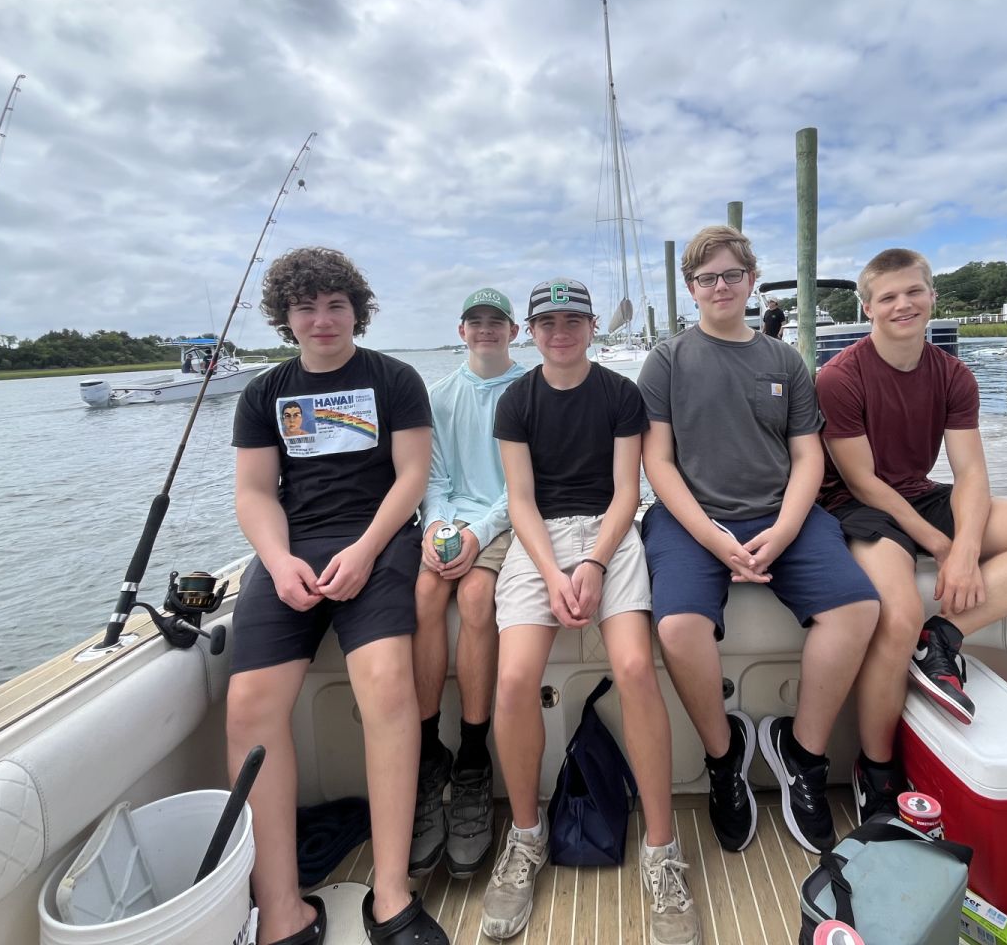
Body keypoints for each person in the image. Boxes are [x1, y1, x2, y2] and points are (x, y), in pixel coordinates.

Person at [816, 248, 1007, 825]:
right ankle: (877, 769)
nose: (903, 304)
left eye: (913, 291)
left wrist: (966, 549)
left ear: (932, 296)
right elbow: (863, 482)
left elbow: (971, 474)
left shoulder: (952, 375)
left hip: (922, 493)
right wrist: (943, 546)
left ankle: (942, 636)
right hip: (858, 507)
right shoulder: (840, 377)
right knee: (896, 615)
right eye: (888, 297)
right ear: (867, 308)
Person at [226, 247, 447, 945]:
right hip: (292, 551)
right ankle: (281, 909)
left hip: (379, 541)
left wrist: (368, 548)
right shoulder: (263, 393)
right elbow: (254, 492)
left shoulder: (394, 379)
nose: (322, 320)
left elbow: (411, 477)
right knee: (249, 706)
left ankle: (391, 893)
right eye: (306, 308)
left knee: (386, 686)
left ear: (357, 312)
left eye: (335, 306)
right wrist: (277, 561)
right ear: (285, 317)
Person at [639, 226, 880, 857]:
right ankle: (725, 758)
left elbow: (807, 456)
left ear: (751, 280)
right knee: (677, 628)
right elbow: (656, 461)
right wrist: (714, 537)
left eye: (731, 274)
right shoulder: (667, 360)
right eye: (706, 278)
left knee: (858, 608)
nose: (720, 286)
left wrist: (786, 528)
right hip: (691, 520)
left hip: (782, 515)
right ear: (691, 288)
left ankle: (803, 753)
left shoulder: (785, 361)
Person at [482, 278, 700, 945]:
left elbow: (626, 490)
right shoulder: (516, 402)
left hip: (610, 532)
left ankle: (662, 851)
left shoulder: (619, 395)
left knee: (635, 667)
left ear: (592, 325)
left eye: (572, 320)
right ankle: (526, 837)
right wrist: (554, 572)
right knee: (514, 679)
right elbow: (520, 500)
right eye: (547, 323)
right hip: (540, 540)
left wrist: (595, 563)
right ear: (530, 331)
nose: (560, 332)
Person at [411, 287, 526, 879]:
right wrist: (435, 528)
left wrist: (478, 534)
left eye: (495, 321)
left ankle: (474, 756)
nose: (485, 329)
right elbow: (434, 479)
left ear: (512, 331)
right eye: (475, 321)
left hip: (503, 521)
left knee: (478, 596)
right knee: (425, 594)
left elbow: (520, 488)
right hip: (450, 520)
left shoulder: (528, 389)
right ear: (461, 331)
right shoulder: (438, 396)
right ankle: (429, 750)